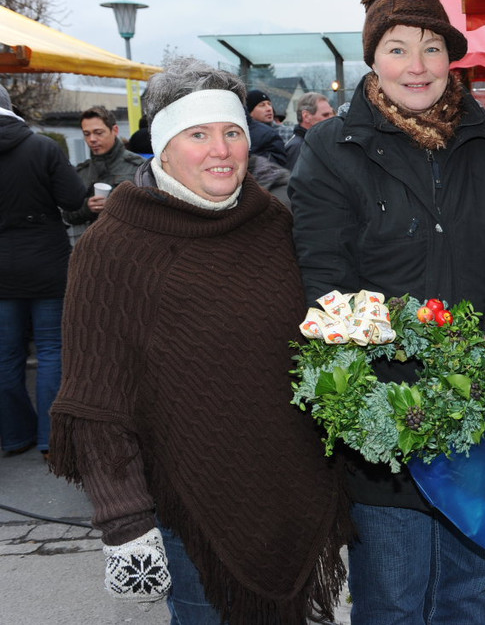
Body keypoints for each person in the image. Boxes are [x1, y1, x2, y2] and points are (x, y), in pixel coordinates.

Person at [49, 58, 350, 625]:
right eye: (198, 135)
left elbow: (314, 335)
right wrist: (125, 523)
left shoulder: (273, 221)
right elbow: (96, 401)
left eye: (232, 131)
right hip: (189, 512)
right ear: (163, 148)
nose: (221, 150)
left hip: (290, 488)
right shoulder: (113, 247)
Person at [288, 0, 485, 625]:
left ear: (452, 56)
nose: (417, 66)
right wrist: (415, 354)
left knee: (466, 597)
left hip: (477, 403)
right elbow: (325, 283)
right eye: (397, 48)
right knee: (393, 600)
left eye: (431, 47)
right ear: (373, 57)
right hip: (383, 417)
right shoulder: (331, 149)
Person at [0, 85, 87, 458]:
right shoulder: (43, 148)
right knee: (52, 349)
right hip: (46, 262)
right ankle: (52, 437)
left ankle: (15, 434)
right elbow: (73, 199)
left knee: (6, 354)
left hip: (1, 269)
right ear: (11, 106)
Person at [65, 106, 145, 245]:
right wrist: (87, 207)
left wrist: (116, 206)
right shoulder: (82, 172)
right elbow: (68, 215)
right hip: (94, 248)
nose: (92, 139)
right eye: (87, 134)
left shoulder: (138, 167)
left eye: (98, 133)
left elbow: (154, 211)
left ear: (115, 130)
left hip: (132, 246)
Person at [284, 92, 334, 170]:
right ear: (306, 116)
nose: (332, 119)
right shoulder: (298, 147)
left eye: (332, 114)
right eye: (325, 115)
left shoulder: (314, 143)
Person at [245, 89, 288, 166]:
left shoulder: (283, 132)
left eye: (269, 104)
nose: (269, 108)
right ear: (250, 112)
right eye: (262, 105)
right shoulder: (243, 133)